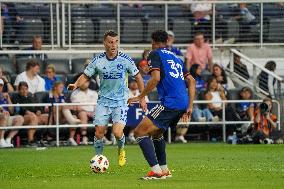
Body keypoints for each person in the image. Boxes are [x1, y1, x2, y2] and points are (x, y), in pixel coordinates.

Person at [68, 30, 146, 167]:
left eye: (116, 42)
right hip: (103, 101)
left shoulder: (126, 60)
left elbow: (138, 77)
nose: (114, 45)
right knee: (99, 133)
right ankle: (98, 159)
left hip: (121, 101)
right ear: (105, 43)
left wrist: (142, 97)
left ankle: (121, 149)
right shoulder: (98, 61)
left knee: (117, 132)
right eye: (110, 42)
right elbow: (85, 76)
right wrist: (75, 85)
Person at [128, 30, 195, 179]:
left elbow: (155, 79)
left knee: (139, 133)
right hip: (182, 102)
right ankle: (164, 170)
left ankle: (156, 172)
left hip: (171, 102)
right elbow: (192, 81)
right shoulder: (176, 58)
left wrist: (140, 96)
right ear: (166, 42)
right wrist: (189, 106)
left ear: (153, 42)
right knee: (157, 133)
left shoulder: (154, 54)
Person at [12, 81, 49, 147]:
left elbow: (38, 106)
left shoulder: (31, 96)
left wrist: (38, 110)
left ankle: (44, 139)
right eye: (22, 89)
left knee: (46, 117)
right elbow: (19, 108)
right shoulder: (16, 97)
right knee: (33, 117)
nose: (24, 91)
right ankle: (30, 140)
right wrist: (27, 112)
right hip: (22, 117)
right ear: (19, 90)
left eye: (26, 89)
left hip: (34, 115)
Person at [47, 81, 81, 146]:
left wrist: (71, 107)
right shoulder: (50, 95)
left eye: (62, 88)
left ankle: (71, 138)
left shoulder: (61, 95)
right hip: (53, 117)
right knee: (62, 106)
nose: (62, 89)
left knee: (74, 117)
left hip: (62, 117)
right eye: (60, 87)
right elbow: (50, 107)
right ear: (55, 88)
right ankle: (72, 120)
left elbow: (63, 104)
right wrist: (69, 106)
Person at [70, 80, 98, 145]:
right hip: (81, 112)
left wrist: (95, 112)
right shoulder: (75, 93)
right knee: (83, 114)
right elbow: (77, 107)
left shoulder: (94, 93)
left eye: (85, 82)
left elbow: (97, 105)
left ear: (88, 83)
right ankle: (84, 137)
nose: (83, 84)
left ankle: (102, 137)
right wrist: (87, 112)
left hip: (93, 112)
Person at [0, 79, 24, 148]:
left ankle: (8, 139)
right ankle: (1, 140)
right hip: (2, 116)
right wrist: (1, 110)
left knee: (20, 118)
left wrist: (8, 99)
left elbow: (12, 111)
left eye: (1, 85)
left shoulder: (4, 95)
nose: (0, 87)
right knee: (4, 115)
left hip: (6, 117)